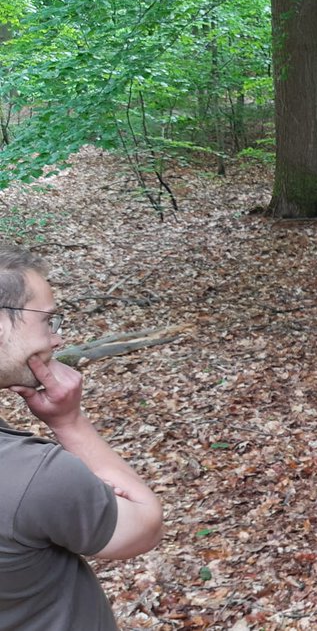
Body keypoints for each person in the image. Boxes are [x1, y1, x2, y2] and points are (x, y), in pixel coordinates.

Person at [0, 247, 163, 630]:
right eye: (48, 321)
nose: (56, 340)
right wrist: (70, 423)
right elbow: (145, 525)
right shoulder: (31, 478)